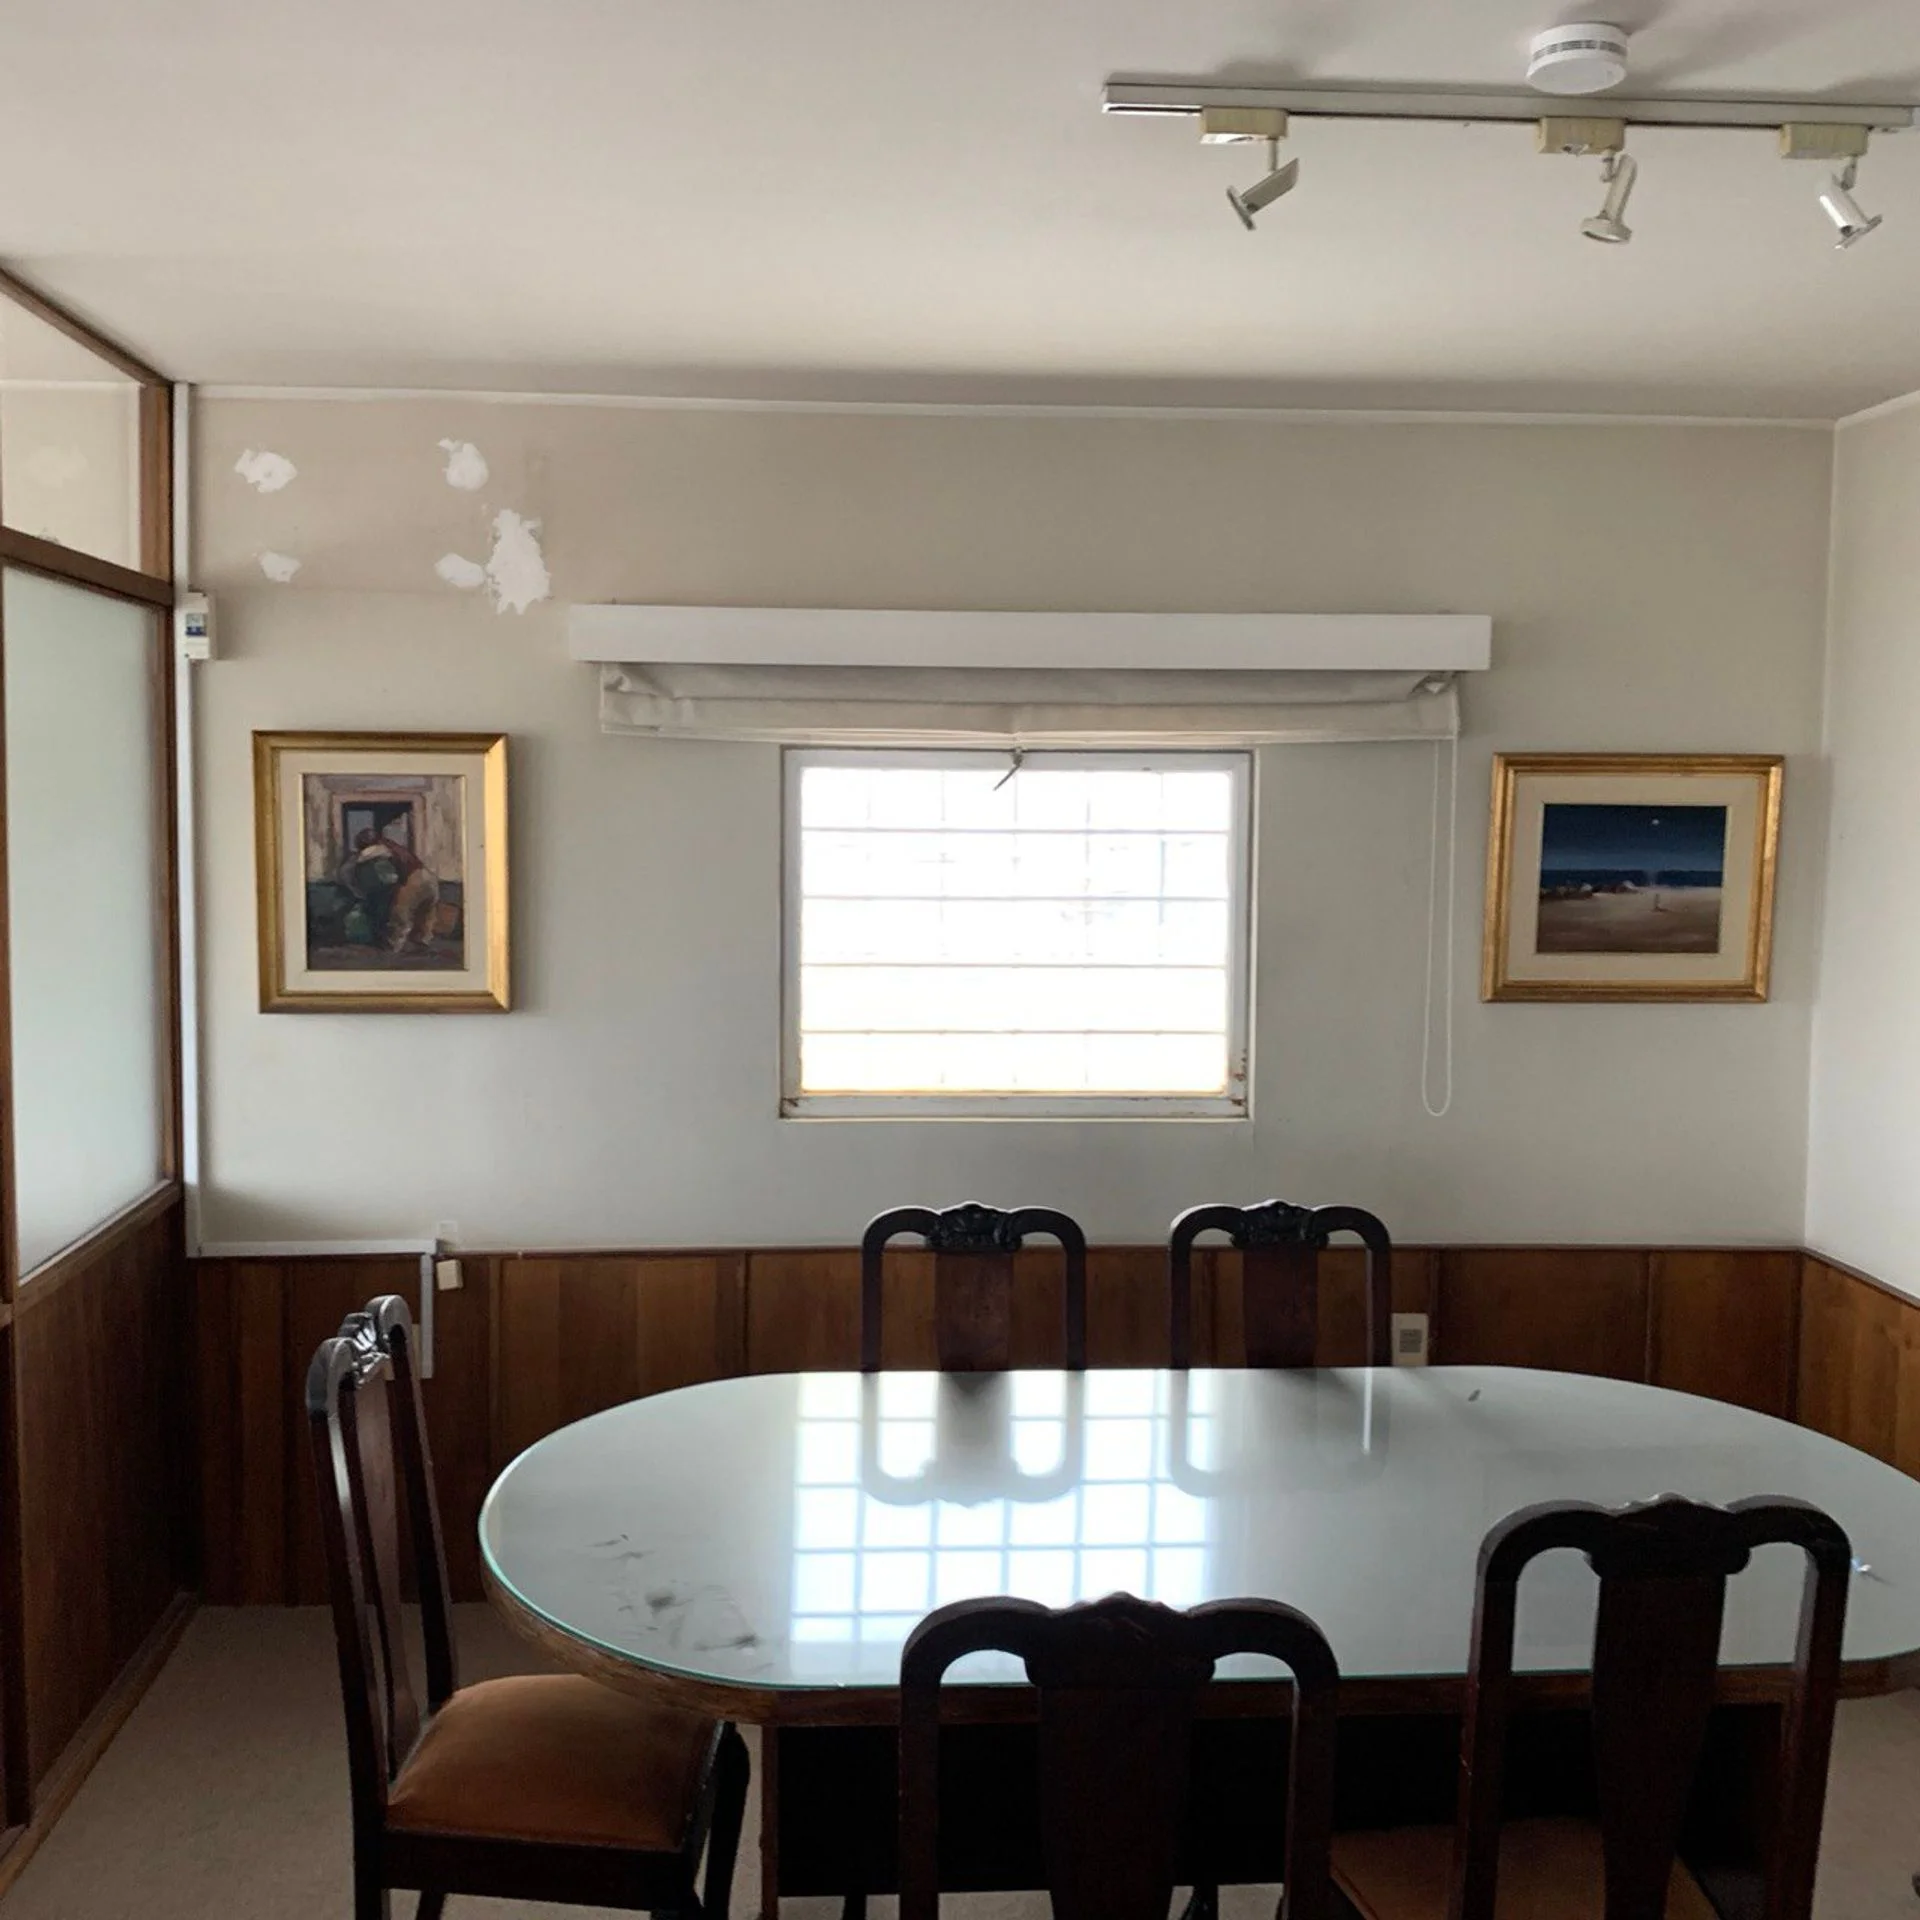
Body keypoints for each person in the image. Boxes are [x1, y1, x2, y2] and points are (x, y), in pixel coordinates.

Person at [342, 827, 440, 955]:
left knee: (401, 913)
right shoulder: (394, 847)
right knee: (425, 913)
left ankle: (393, 947)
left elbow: (365, 857)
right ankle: (422, 943)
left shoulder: (378, 849)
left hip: (413, 879)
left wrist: (356, 864)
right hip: (429, 877)